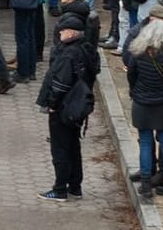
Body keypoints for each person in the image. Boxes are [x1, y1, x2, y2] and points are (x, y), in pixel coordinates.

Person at [35, 12, 99, 201]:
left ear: (72, 33)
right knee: (73, 146)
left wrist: (52, 104)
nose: (60, 32)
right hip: (78, 107)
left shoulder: (68, 54)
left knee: (60, 148)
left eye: (64, 30)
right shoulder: (87, 51)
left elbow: (60, 83)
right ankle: (75, 186)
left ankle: (60, 188)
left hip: (63, 107)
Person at [124, 6, 163, 201]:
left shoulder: (138, 53)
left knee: (145, 143)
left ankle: (146, 184)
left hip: (142, 103)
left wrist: (137, 90)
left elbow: (131, 77)